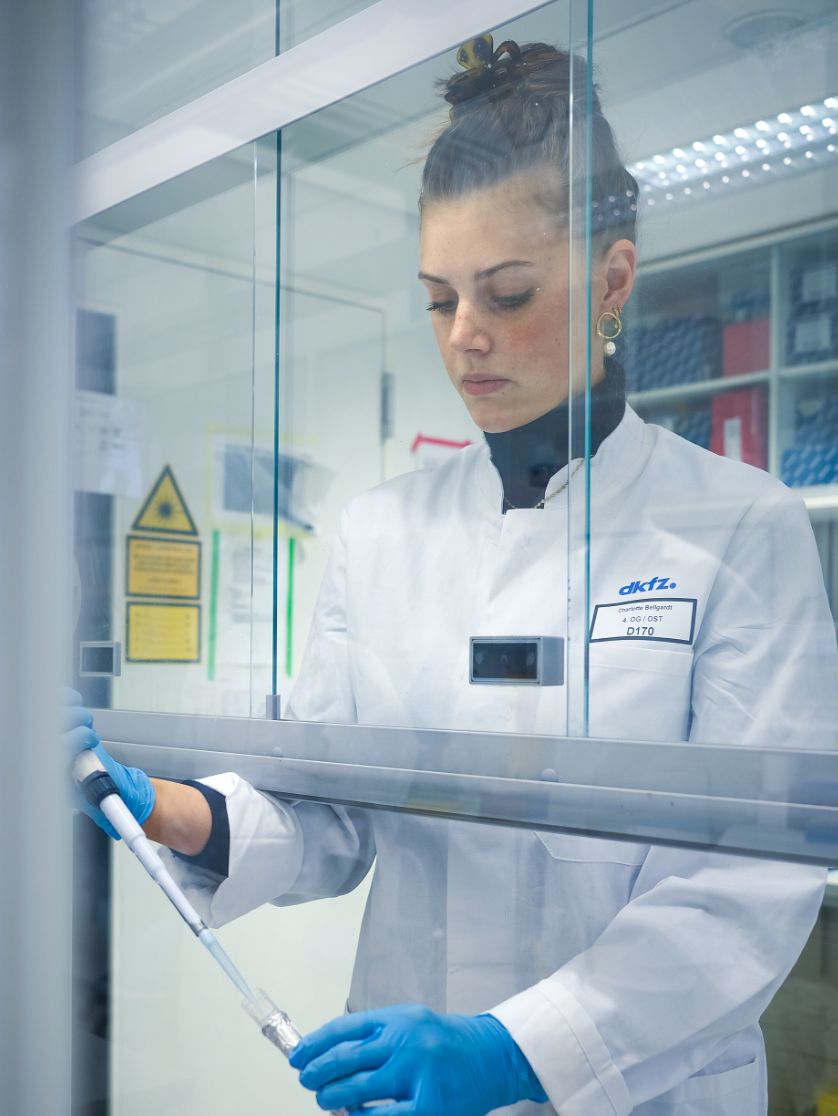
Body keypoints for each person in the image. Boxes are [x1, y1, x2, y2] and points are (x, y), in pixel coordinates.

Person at [68, 38, 838, 1115]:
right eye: (438, 300)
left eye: (508, 292)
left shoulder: (736, 526)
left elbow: (751, 885)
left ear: (612, 278)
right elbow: (332, 817)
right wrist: (177, 811)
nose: (466, 338)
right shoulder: (382, 532)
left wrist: (517, 1049)